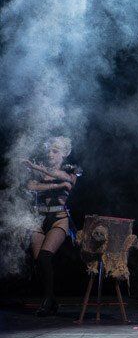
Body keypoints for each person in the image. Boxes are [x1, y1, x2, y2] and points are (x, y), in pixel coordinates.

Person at [22, 136, 81, 317]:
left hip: (59, 218)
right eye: (49, 151)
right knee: (39, 260)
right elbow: (31, 185)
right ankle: (51, 299)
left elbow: (67, 181)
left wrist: (38, 169)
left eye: (55, 151)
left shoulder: (71, 170)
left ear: (64, 153)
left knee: (45, 257)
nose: (50, 154)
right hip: (39, 218)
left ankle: (48, 301)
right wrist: (53, 185)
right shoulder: (39, 170)